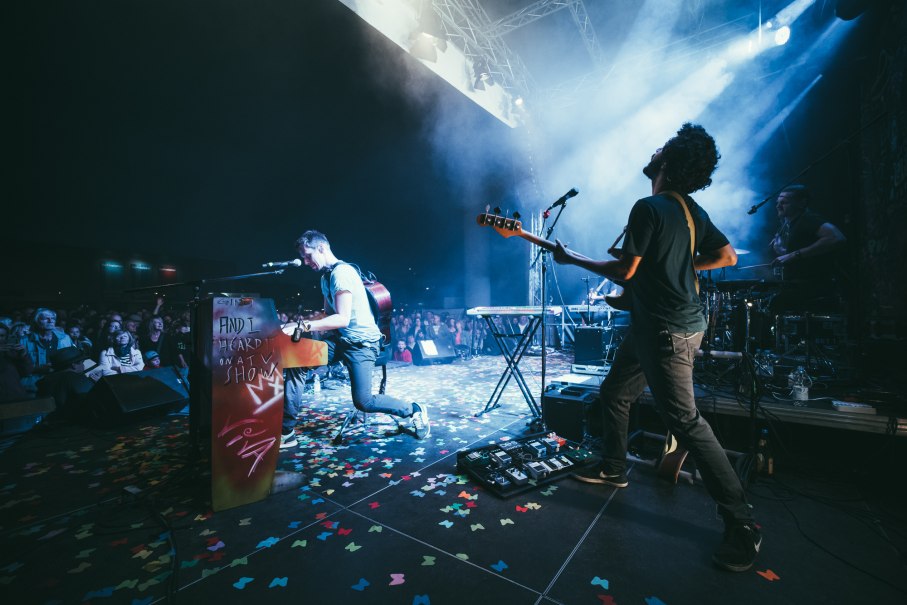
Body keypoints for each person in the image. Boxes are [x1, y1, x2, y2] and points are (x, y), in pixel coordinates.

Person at [552, 123, 760, 573]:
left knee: (686, 421)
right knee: (615, 393)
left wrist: (572, 259)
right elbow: (727, 257)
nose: (655, 149)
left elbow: (627, 272)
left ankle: (743, 524)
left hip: (665, 332)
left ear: (668, 162)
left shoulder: (648, 207)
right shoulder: (690, 211)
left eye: (662, 147)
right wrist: (676, 267)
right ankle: (612, 466)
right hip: (663, 326)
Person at [279, 230, 430, 449]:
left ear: (321, 248)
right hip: (341, 341)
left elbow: (341, 318)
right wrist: (302, 328)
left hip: (362, 344)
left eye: (307, 255)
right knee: (298, 360)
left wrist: (302, 325)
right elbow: (330, 316)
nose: (305, 262)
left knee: (364, 402)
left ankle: (414, 410)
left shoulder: (342, 273)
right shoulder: (325, 278)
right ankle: (287, 431)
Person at [769, 184, 846, 310]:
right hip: (796, 285)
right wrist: (782, 251)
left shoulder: (808, 220)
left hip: (813, 287)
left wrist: (794, 254)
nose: (778, 206)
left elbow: (836, 238)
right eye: (778, 202)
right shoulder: (788, 225)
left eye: (784, 202)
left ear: (801, 203)